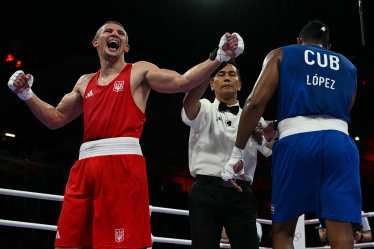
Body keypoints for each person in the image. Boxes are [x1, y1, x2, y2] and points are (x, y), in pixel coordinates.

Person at [7, 21, 244, 249]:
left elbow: (182, 82)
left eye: (121, 33)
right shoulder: (84, 82)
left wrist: (219, 57)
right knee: (68, 243)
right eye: (108, 31)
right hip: (83, 168)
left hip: (122, 165)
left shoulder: (139, 71)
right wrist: (27, 94)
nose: (115, 35)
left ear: (126, 47)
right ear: (96, 42)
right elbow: (55, 119)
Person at [223, 20, 361, 249]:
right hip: (340, 143)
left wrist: (237, 153)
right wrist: (279, 124)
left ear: (299, 41)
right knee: (341, 227)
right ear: (328, 47)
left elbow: (255, 103)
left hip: (297, 144)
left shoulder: (282, 54)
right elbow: (342, 110)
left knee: (284, 230)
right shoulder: (348, 66)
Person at [181, 59, 274, 249]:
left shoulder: (253, 116)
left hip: (240, 193)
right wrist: (213, 64)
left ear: (239, 85)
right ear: (211, 84)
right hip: (206, 191)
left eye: (232, 75)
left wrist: (271, 134)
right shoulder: (204, 107)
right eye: (220, 74)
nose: (226, 78)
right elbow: (188, 104)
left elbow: (268, 150)